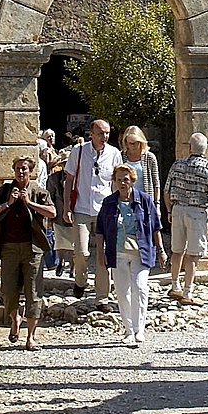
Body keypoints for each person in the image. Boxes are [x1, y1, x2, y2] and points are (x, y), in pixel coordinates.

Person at [0, 155, 56, 351]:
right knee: (8, 291)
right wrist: (8, 203)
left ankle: (31, 337)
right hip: (9, 248)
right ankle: (15, 319)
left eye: (24, 168)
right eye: (17, 168)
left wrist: (30, 203)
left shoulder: (39, 192)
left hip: (34, 249)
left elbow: (52, 212)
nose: (21, 172)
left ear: (30, 172)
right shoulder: (6, 190)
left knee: (34, 293)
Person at [96, 164, 167, 346]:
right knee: (122, 292)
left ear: (133, 181)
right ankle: (128, 330)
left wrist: (160, 250)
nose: (122, 183)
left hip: (140, 252)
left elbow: (155, 227)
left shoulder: (144, 200)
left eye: (125, 179)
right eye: (119, 179)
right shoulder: (109, 203)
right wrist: (100, 254)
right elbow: (101, 230)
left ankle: (139, 329)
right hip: (117, 252)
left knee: (140, 288)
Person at [63, 119, 122, 302]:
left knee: (103, 254)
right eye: (100, 133)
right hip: (81, 208)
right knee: (81, 252)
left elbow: (117, 183)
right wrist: (66, 208)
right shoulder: (78, 151)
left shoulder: (114, 154)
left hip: (105, 210)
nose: (104, 137)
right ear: (91, 134)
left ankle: (102, 296)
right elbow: (69, 181)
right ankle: (80, 281)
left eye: (106, 133)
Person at [163, 132, 208, 302]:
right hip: (197, 212)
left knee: (177, 251)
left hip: (178, 210)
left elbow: (166, 191)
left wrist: (169, 211)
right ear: (205, 149)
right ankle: (187, 292)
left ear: (190, 147)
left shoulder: (177, 165)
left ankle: (175, 285)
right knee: (193, 254)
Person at [46, 149, 74, 277]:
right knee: (60, 241)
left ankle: (73, 267)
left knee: (75, 243)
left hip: (75, 214)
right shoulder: (53, 179)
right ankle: (61, 262)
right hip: (59, 213)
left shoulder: (78, 178)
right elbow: (50, 195)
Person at [118, 125, 161, 209]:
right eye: (130, 143)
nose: (132, 146)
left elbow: (156, 182)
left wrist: (157, 205)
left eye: (135, 143)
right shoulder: (120, 156)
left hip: (144, 201)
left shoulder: (149, 157)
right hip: (125, 200)